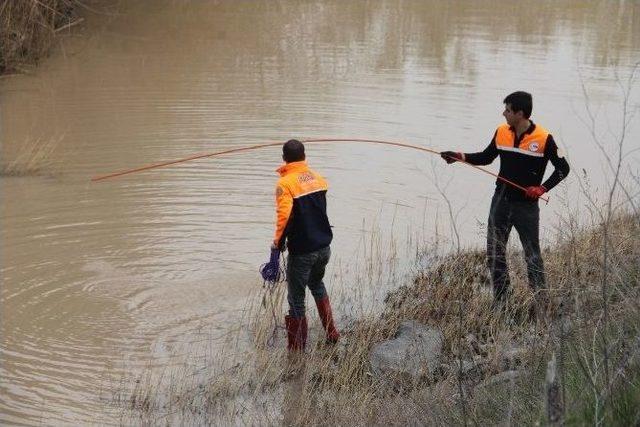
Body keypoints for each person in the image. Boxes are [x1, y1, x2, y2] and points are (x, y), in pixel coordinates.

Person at [440, 91, 570, 314]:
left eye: (508, 110)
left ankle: (540, 303)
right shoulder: (501, 132)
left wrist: (542, 188)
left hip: (526, 208)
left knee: (532, 255)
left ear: (520, 113)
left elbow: (563, 169)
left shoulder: (544, 138)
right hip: (500, 201)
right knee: (495, 253)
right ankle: (502, 302)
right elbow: (486, 157)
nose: (504, 113)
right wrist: (458, 156)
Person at [272, 139, 340, 351]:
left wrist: (276, 244)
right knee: (317, 285)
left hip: (302, 252)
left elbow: (284, 217)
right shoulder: (319, 179)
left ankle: (297, 351)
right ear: (304, 156)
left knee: (296, 299)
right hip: (324, 249)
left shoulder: (285, 184)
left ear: (284, 158)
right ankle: (332, 333)